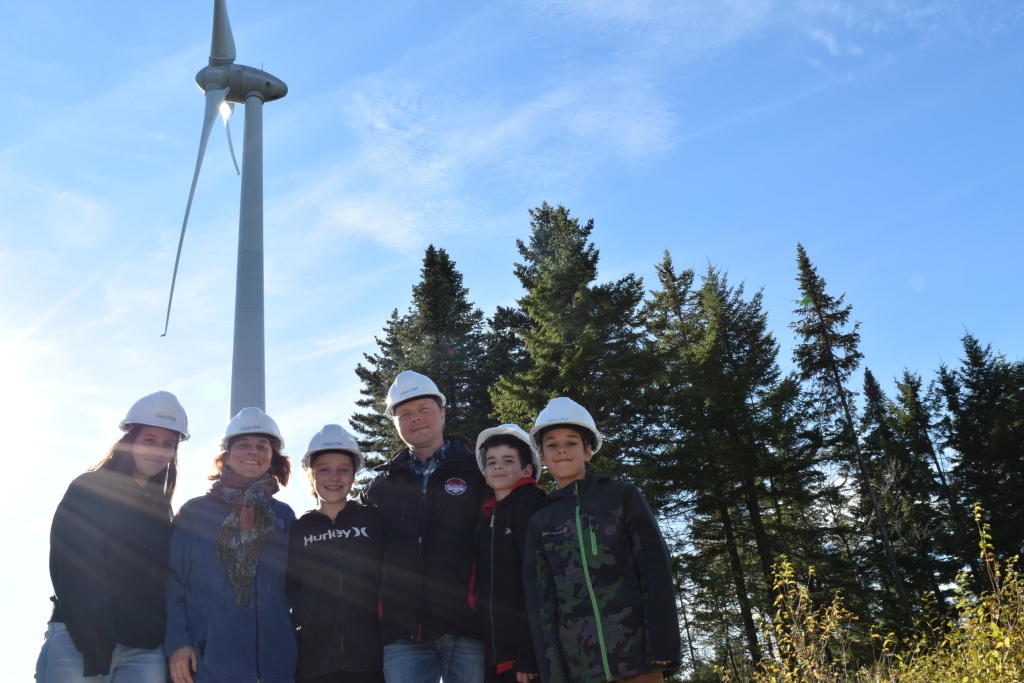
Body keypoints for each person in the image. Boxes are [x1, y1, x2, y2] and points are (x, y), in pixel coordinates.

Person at [523, 397, 681, 683]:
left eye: (571, 442)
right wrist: (553, 674)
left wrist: (662, 644)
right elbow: (541, 603)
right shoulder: (541, 522)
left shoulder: (622, 496)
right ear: (542, 458)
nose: (561, 449)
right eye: (552, 444)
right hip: (580, 668)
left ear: (588, 450)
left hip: (638, 660)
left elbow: (654, 568)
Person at [36, 390, 189, 683]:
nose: (159, 451)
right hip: (79, 642)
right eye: (149, 440)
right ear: (129, 441)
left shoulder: (161, 510)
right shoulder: (90, 488)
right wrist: (96, 646)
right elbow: (74, 569)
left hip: (143, 650)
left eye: (168, 444)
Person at [362, 370, 488, 683]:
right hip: (402, 632)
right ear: (396, 424)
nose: (415, 418)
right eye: (404, 413)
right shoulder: (380, 487)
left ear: (442, 414)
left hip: (467, 625)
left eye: (424, 409)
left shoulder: (480, 471)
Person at [165, 407, 297, 683]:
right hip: (207, 665)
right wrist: (177, 641)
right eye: (243, 445)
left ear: (272, 457)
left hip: (274, 667)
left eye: (262, 446)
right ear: (226, 454)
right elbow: (171, 580)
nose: (253, 452)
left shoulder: (284, 516)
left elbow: (299, 587)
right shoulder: (195, 513)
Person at [286, 424, 385, 683]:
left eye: (343, 470)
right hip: (314, 666)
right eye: (324, 470)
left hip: (371, 663)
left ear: (354, 476)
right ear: (311, 476)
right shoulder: (297, 530)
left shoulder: (372, 520)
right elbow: (288, 591)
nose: (334, 477)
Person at [474, 425, 546, 683]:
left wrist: (528, 656)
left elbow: (536, 583)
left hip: (525, 661)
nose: (498, 467)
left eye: (508, 460)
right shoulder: (487, 517)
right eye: (491, 462)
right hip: (497, 658)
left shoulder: (530, 506)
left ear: (527, 470)